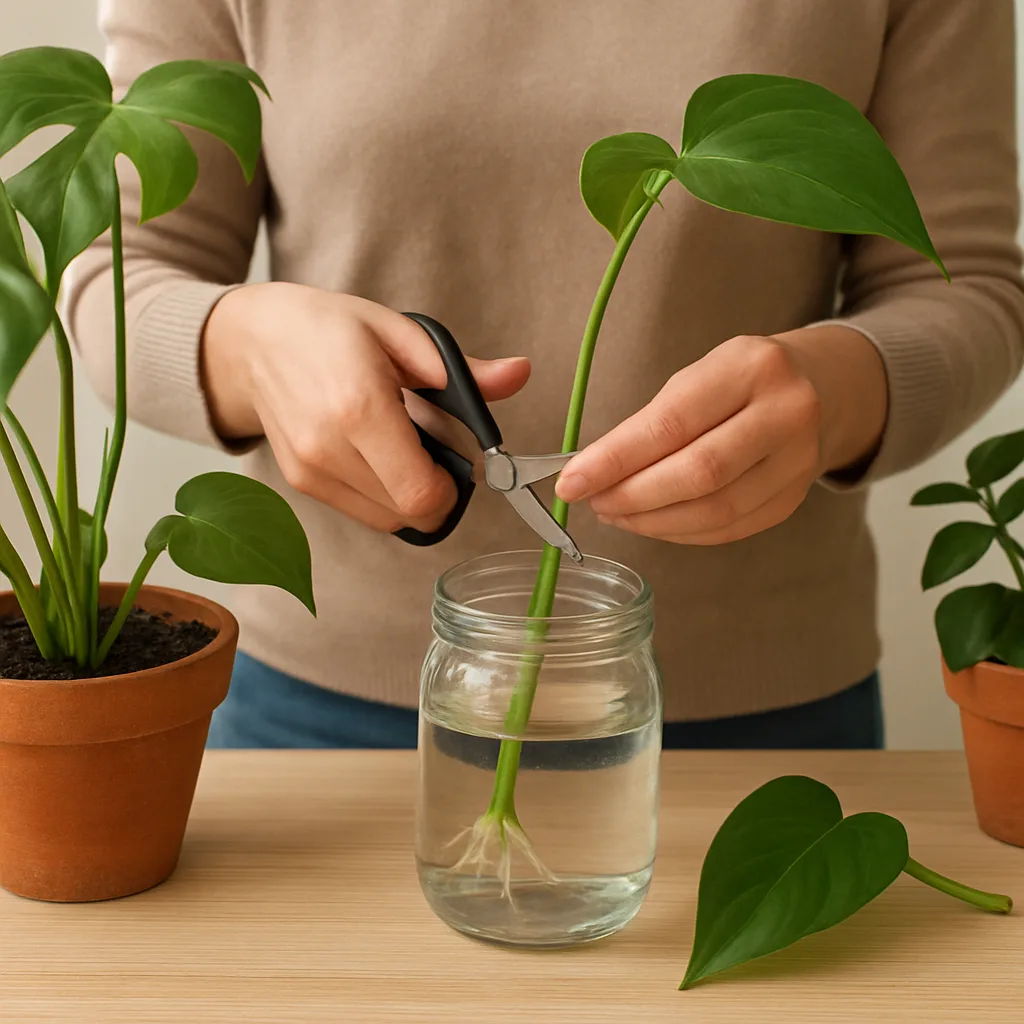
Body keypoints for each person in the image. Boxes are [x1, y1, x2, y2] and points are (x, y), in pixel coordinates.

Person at [67, 0, 1024, 751]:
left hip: (755, 711)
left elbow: (969, 279)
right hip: (317, 714)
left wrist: (841, 390)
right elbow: (117, 272)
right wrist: (248, 344)